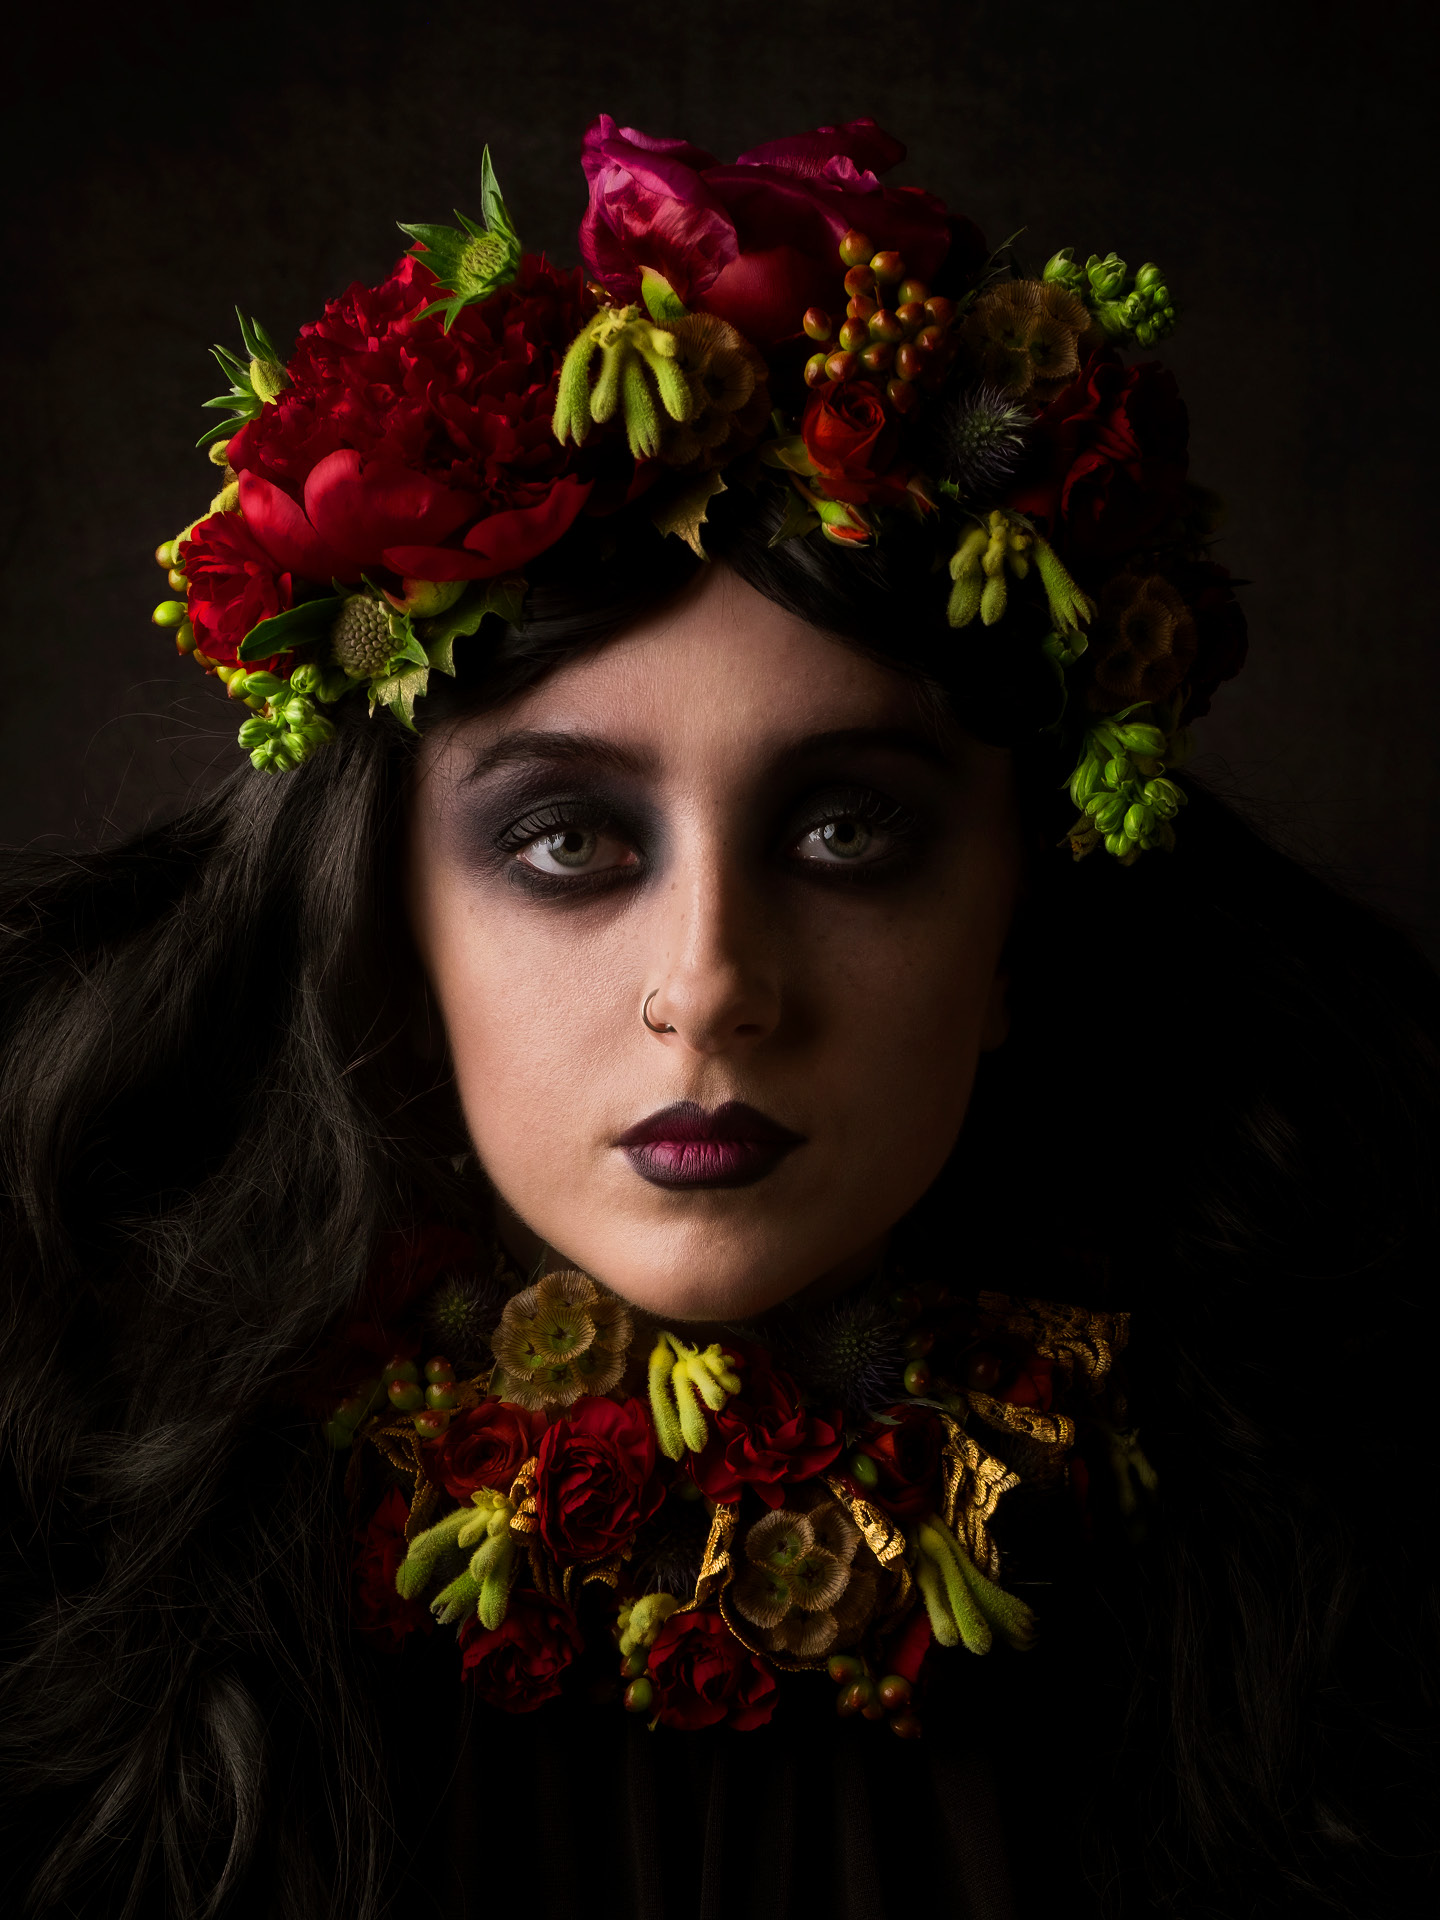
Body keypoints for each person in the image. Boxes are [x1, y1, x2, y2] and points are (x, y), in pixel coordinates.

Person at [1, 115, 1435, 1920]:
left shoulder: (1333, 1598)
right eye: (568, 840)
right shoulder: (93, 1592)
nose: (716, 988)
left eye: (847, 832)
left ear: (1015, 934)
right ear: (390, 923)